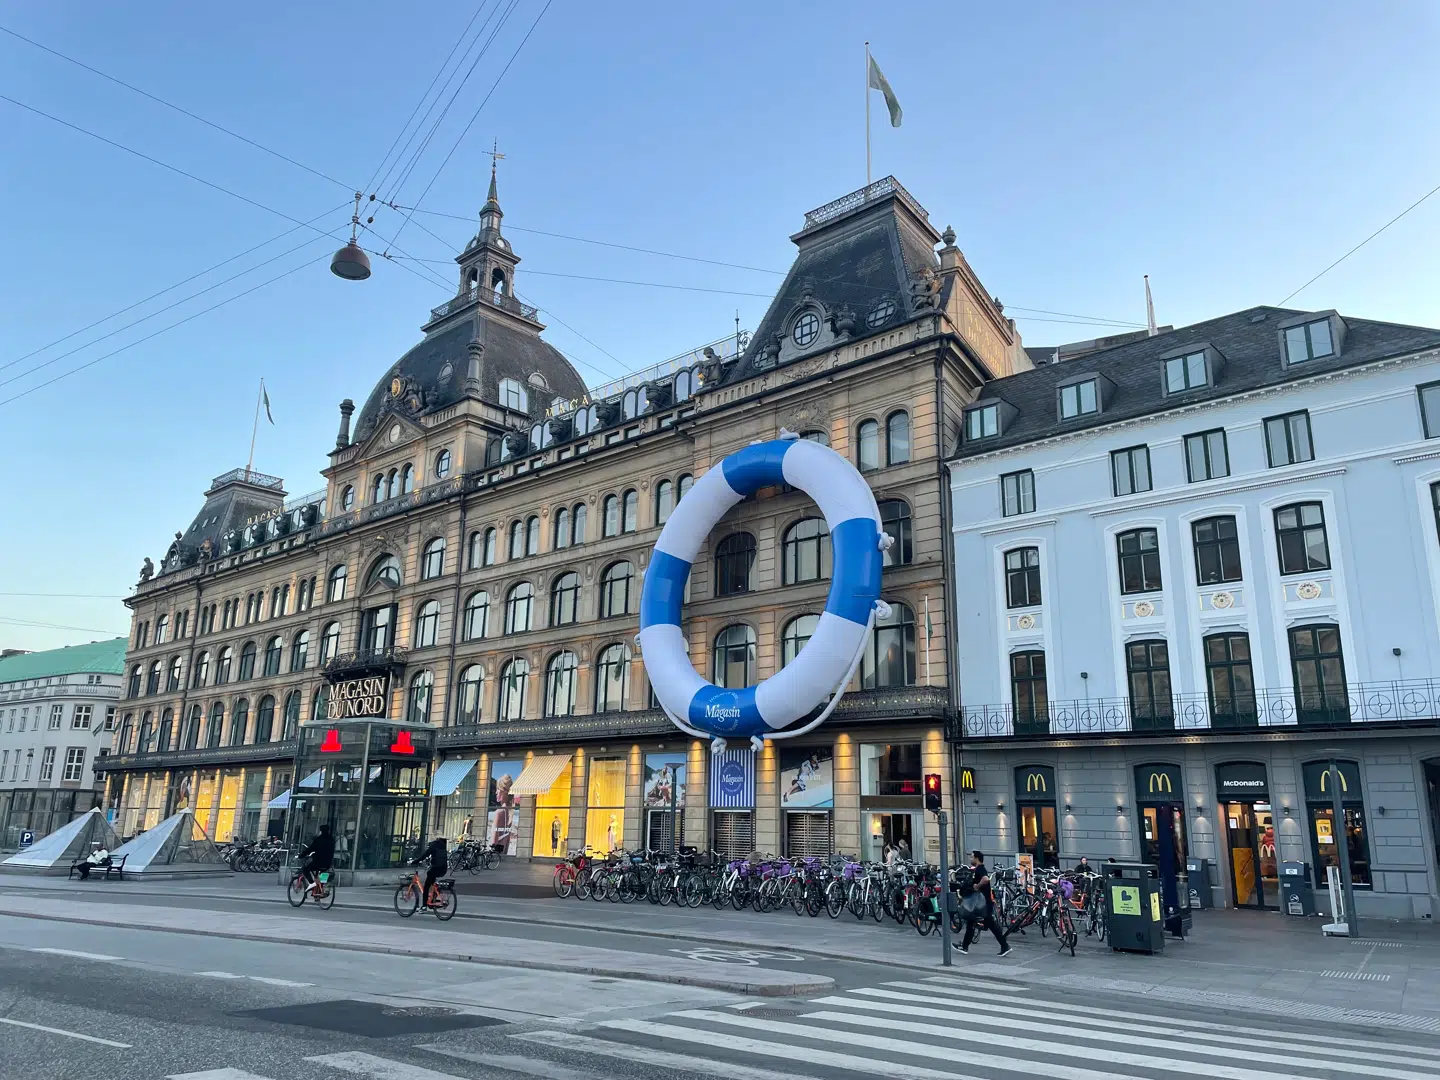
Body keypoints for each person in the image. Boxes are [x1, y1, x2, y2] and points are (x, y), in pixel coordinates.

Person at [959, 850, 1012, 957]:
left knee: (987, 924)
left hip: (983, 903)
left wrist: (977, 886)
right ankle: (964, 946)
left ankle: (1005, 946)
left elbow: (986, 879)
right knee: (973, 923)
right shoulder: (979, 869)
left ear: (977, 858)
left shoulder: (980, 869)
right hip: (983, 903)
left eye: (972, 857)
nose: (970, 859)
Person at [412, 835, 449, 906]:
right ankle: (433, 898)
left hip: (436, 868)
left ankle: (424, 906)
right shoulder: (443, 846)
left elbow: (425, 854)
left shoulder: (434, 844)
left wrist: (416, 861)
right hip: (444, 868)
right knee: (432, 881)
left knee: (426, 886)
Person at [299, 823, 335, 894]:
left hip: (318, 862)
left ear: (321, 831)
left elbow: (310, 849)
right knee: (322, 873)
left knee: (305, 869)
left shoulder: (319, 839)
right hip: (328, 863)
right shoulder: (331, 839)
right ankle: (320, 889)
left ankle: (312, 883)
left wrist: (301, 855)